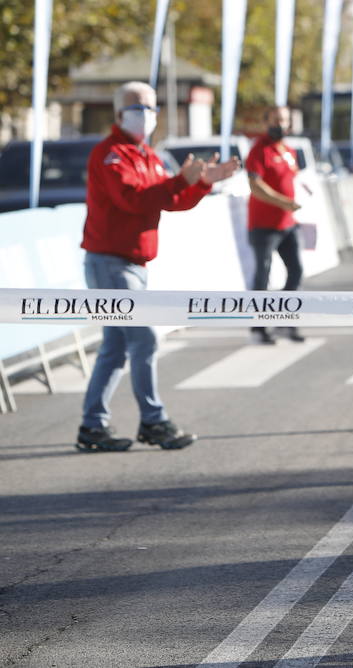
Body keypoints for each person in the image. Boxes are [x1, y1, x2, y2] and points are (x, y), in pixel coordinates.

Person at [76, 81, 239, 452]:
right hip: (111, 263)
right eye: (138, 107)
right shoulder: (111, 155)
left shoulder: (146, 154)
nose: (146, 114)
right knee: (143, 339)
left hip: (133, 263)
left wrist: (199, 184)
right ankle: (154, 421)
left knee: (116, 349)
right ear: (120, 113)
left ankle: (92, 426)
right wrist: (183, 179)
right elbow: (134, 200)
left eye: (151, 107)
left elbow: (169, 200)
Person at [245, 105, 305, 345]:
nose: (280, 125)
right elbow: (255, 186)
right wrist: (282, 202)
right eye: (275, 120)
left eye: (284, 120)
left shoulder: (289, 150)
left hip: (288, 224)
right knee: (263, 275)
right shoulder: (259, 151)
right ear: (266, 122)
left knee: (296, 271)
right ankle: (259, 326)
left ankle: (285, 318)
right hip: (264, 225)